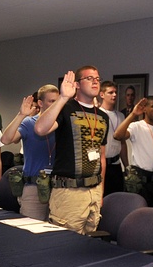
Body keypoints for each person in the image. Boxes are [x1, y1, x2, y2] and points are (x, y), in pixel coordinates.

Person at [34, 67, 108, 234]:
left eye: (97, 78)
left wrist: (101, 191)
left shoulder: (103, 117)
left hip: (94, 191)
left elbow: (101, 157)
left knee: (87, 247)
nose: (95, 81)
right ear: (78, 85)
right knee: (64, 247)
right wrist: (63, 98)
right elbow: (40, 129)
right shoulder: (66, 108)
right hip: (69, 192)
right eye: (89, 78)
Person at [0, 85, 57, 221]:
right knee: (30, 230)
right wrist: (21, 115)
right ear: (41, 103)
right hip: (34, 187)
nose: (56, 105)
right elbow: (6, 139)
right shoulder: (29, 123)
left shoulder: (61, 124)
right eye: (51, 101)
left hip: (57, 188)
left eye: (58, 101)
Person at [114, 96, 153, 208]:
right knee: (138, 216)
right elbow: (118, 135)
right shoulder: (136, 126)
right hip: (140, 181)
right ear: (145, 109)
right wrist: (133, 115)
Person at [98, 80, 127, 196]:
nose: (114, 95)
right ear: (102, 95)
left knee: (117, 198)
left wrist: (127, 166)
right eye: (110, 92)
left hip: (116, 164)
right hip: (101, 165)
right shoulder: (97, 113)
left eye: (115, 92)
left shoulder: (120, 115)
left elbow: (123, 143)